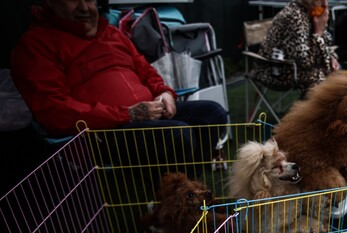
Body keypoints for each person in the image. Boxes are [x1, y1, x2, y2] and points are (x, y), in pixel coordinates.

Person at [10, 0, 227, 164]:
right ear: (50, 3)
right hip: (103, 133)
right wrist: (127, 114)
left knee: (212, 113)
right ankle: (169, 197)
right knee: (177, 133)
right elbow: (54, 111)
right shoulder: (35, 45)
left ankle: (182, 187)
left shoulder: (111, 33)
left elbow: (146, 71)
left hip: (150, 114)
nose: (85, 7)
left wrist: (165, 93)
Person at [252, 0, 341, 97]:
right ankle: (307, 111)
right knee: (319, 78)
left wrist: (332, 57)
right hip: (276, 70)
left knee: (335, 72)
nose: (326, 9)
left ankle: (313, 109)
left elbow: (326, 43)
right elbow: (304, 61)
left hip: (295, 67)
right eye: (323, 4)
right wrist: (318, 33)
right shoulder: (294, 17)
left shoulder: (312, 13)